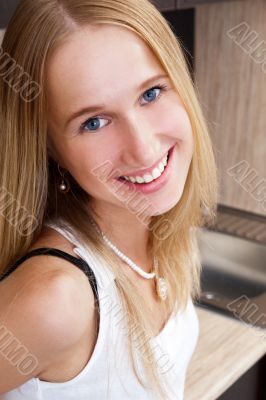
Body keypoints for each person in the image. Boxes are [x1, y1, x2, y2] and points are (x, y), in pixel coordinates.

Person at [0, 0, 218, 399]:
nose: (143, 148)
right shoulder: (57, 298)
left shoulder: (164, 232)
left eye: (151, 93)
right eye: (94, 122)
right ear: (50, 149)